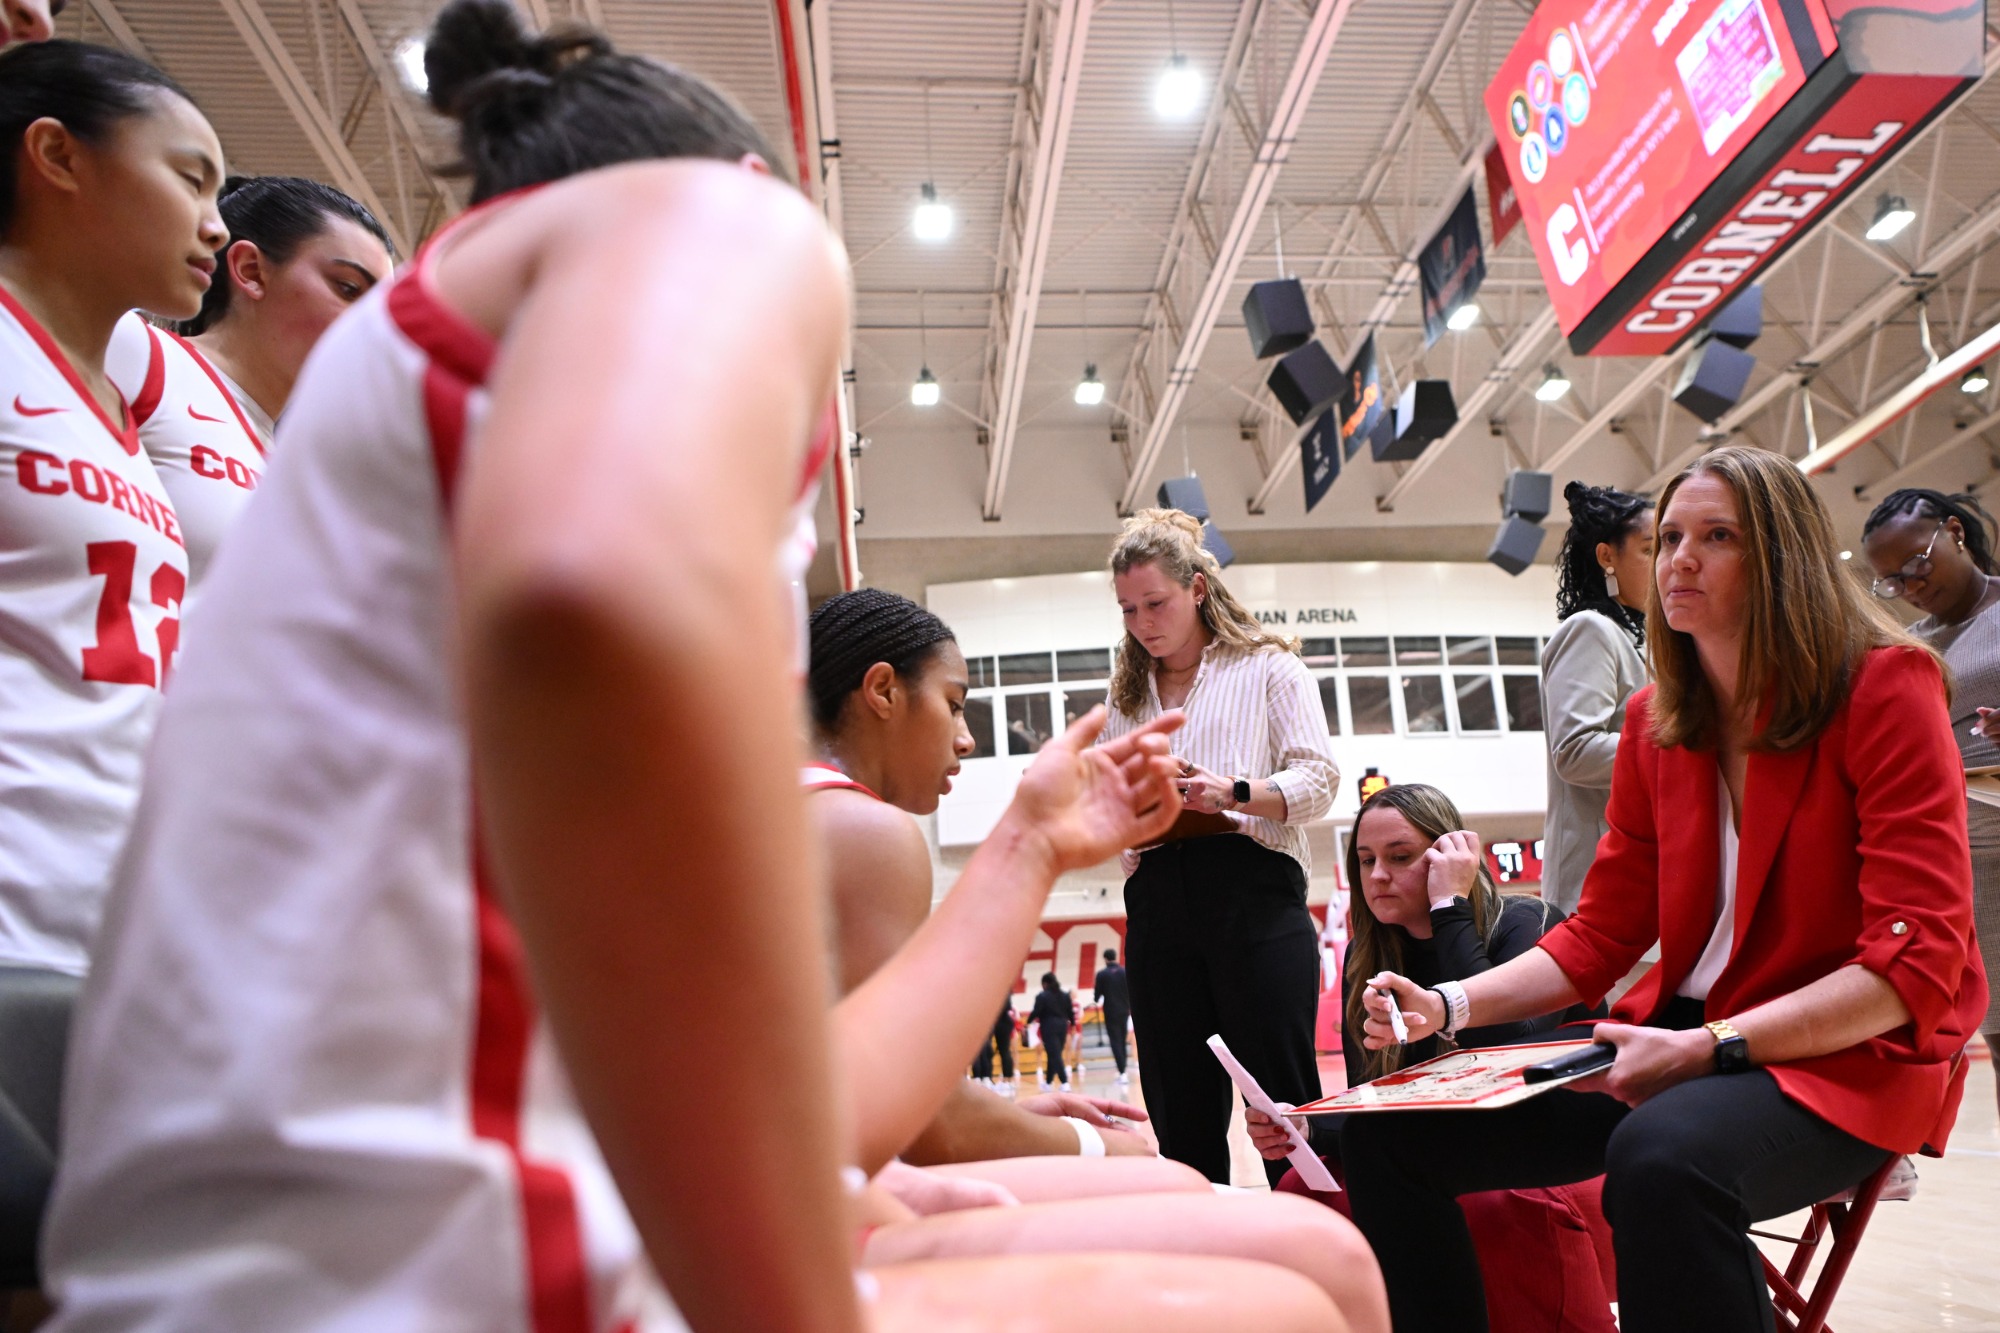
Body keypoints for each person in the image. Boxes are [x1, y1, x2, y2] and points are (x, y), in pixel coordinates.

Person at [42, 7, 1361, 1330]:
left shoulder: (398, 427)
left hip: (282, 1235)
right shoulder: (719, 226)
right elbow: (594, 606)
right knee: (1309, 1286)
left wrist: (1023, 845)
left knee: (1305, 1259)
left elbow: (800, 1090)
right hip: (409, 1271)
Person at [1345, 445, 1986, 1333]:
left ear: (1783, 561)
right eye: (1674, 534)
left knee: (1660, 1159)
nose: (1680, 558)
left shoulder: (1885, 687)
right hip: (1682, 1039)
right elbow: (1598, 936)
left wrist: (1710, 1047)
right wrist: (1448, 1002)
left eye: (1716, 536)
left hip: (1846, 1055)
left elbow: (1911, 968)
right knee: (1376, 1136)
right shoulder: (1654, 724)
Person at [802, 588, 1389, 1330]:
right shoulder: (864, 831)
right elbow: (932, 1126)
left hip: (810, 1185)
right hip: (807, 1224)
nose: (967, 737)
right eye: (954, 704)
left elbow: (864, 1096)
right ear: (883, 690)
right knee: (1316, 1258)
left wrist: (1015, 1113)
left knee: (1194, 1180)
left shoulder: (795, 816)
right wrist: (1089, 1142)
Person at [1, 41, 222, 979]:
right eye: (191, 180)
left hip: (100, 934)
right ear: (57, 157)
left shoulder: (115, 407)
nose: (215, 226)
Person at [1104, 507, 1338, 1185]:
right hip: (1155, 898)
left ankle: (1318, 1254)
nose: (1143, 621)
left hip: (1253, 892)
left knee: (1284, 1106)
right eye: (1127, 609)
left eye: (1156, 602)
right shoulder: (1126, 693)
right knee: (1180, 1111)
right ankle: (1207, 1266)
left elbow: (1320, 780)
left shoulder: (1269, 667)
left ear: (1197, 589)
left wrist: (1233, 791)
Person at [1246, 783, 1597, 1168]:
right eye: (1366, 861)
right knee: (1305, 1186)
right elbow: (1372, 1100)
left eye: (1399, 857)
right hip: (1443, 1142)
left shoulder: (1527, 922)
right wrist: (1307, 1126)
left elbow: (1503, 1050)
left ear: (1450, 859)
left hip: (1544, 1135)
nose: (1377, 875)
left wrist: (1449, 905)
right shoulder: (1364, 956)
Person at [105, 175, 394, 591]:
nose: (373, 327)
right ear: (251, 271)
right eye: (348, 289)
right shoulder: (138, 351)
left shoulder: (301, 475)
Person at [1861, 487, 2000, 1112]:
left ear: (1954, 531)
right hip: (1961, 864)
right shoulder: (1908, 644)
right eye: (1892, 581)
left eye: (1916, 564)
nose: (1911, 586)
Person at [1540, 481, 1654, 913]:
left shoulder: (1646, 636)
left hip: (1648, 873)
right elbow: (1575, 751)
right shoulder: (1591, 629)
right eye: (1649, 549)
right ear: (1607, 557)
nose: (1668, 563)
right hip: (1598, 883)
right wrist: (1681, 743)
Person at [1031, 972, 1074, 1091]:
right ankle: (1048, 1082)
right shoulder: (1065, 995)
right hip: (1063, 1026)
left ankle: (1064, 1082)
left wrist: (1028, 1021)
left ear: (1045, 983)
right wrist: (1073, 1024)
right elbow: (1070, 1012)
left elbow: (1036, 1011)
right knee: (1054, 1054)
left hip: (1049, 1027)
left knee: (1054, 1054)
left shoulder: (1042, 996)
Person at [1094, 947, 1130, 1083]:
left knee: (1115, 1041)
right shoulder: (1124, 972)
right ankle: (1123, 1070)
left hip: (1110, 1012)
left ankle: (1122, 1072)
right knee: (1122, 1040)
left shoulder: (1102, 974)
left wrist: (1097, 998)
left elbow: (1097, 995)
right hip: (1125, 1011)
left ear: (1105, 959)